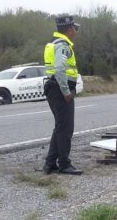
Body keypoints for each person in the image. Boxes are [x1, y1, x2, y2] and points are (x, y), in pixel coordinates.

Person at [42, 15, 83, 175]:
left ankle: (50, 164)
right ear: (69, 29)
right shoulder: (62, 45)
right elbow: (60, 69)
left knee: (60, 127)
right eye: (74, 28)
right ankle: (64, 164)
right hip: (60, 91)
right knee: (66, 129)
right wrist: (66, 92)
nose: (75, 31)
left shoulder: (54, 43)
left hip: (54, 89)